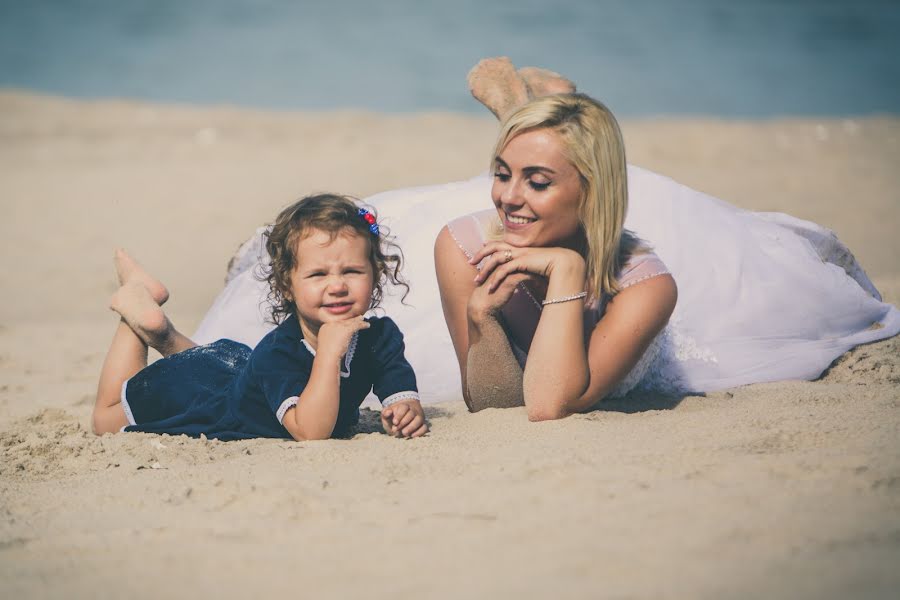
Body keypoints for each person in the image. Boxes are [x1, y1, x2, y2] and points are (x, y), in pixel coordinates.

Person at [191, 59, 900, 417]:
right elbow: (489, 404)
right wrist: (481, 319)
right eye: (500, 173)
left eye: (532, 179)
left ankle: (533, 121)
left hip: (604, 263)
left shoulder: (651, 286)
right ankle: (528, 120)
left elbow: (548, 406)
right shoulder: (463, 240)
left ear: (588, 191)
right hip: (548, 239)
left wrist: (564, 273)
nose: (503, 196)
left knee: (778, 287)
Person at [92, 194, 428, 441]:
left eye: (353, 271)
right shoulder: (279, 351)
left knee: (211, 367)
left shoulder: (380, 334)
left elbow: (393, 375)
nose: (337, 285)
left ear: (376, 274)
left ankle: (164, 333)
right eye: (318, 275)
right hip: (201, 395)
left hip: (233, 369)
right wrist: (328, 354)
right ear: (287, 286)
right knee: (104, 420)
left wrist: (404, 404)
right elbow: (311, 432)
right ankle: (135, 308)